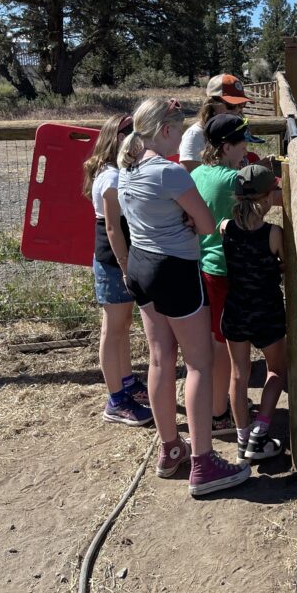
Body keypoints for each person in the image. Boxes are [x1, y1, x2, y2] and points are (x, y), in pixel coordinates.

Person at [117, 97, 250, 496]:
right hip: (174, 270)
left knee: (159, 358)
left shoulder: (126, 169)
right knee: (199, 364)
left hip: (140, 266)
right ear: (164, 130)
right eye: (177, 128)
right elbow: (208, 225)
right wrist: (187, 220)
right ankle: (204, 463)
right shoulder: (170, 174)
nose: (180, 136)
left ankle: (171, 447)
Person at [191, 114, 261, 435]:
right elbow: (252, 217)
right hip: (224, 270)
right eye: (242, 142)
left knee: (212, 343)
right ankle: (220, 414)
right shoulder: (232, 181)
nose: (246, 147)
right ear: (227, 146)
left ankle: (216, 403)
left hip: (204, 266)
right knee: (224, 348)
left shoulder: (201, 173)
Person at [82, 114, 152, 427]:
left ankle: (127, 382)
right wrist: (126, 267)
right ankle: (116, 400)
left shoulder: (117, 172)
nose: (139, 142)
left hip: (118, 260)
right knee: (113, 330)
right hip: (113, 261)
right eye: (133, 136)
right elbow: (112, 228)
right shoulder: (110, 178)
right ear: (119, 140)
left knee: (122, 325)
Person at [220, 164, 289, 464]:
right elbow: (285, 265)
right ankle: (260, 433)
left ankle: (242, 438)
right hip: (267, 311)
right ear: (265, 198)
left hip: (235, 310)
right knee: (276, 371)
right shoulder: (274, 233)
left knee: (239, 374)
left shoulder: (226, 228)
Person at [179, 74, 250, 173]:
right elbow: (189, 178)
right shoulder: (195, 135)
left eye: (241, 104)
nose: (237, 110)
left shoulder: (234, 132)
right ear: (212, 103)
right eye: (232, 105)